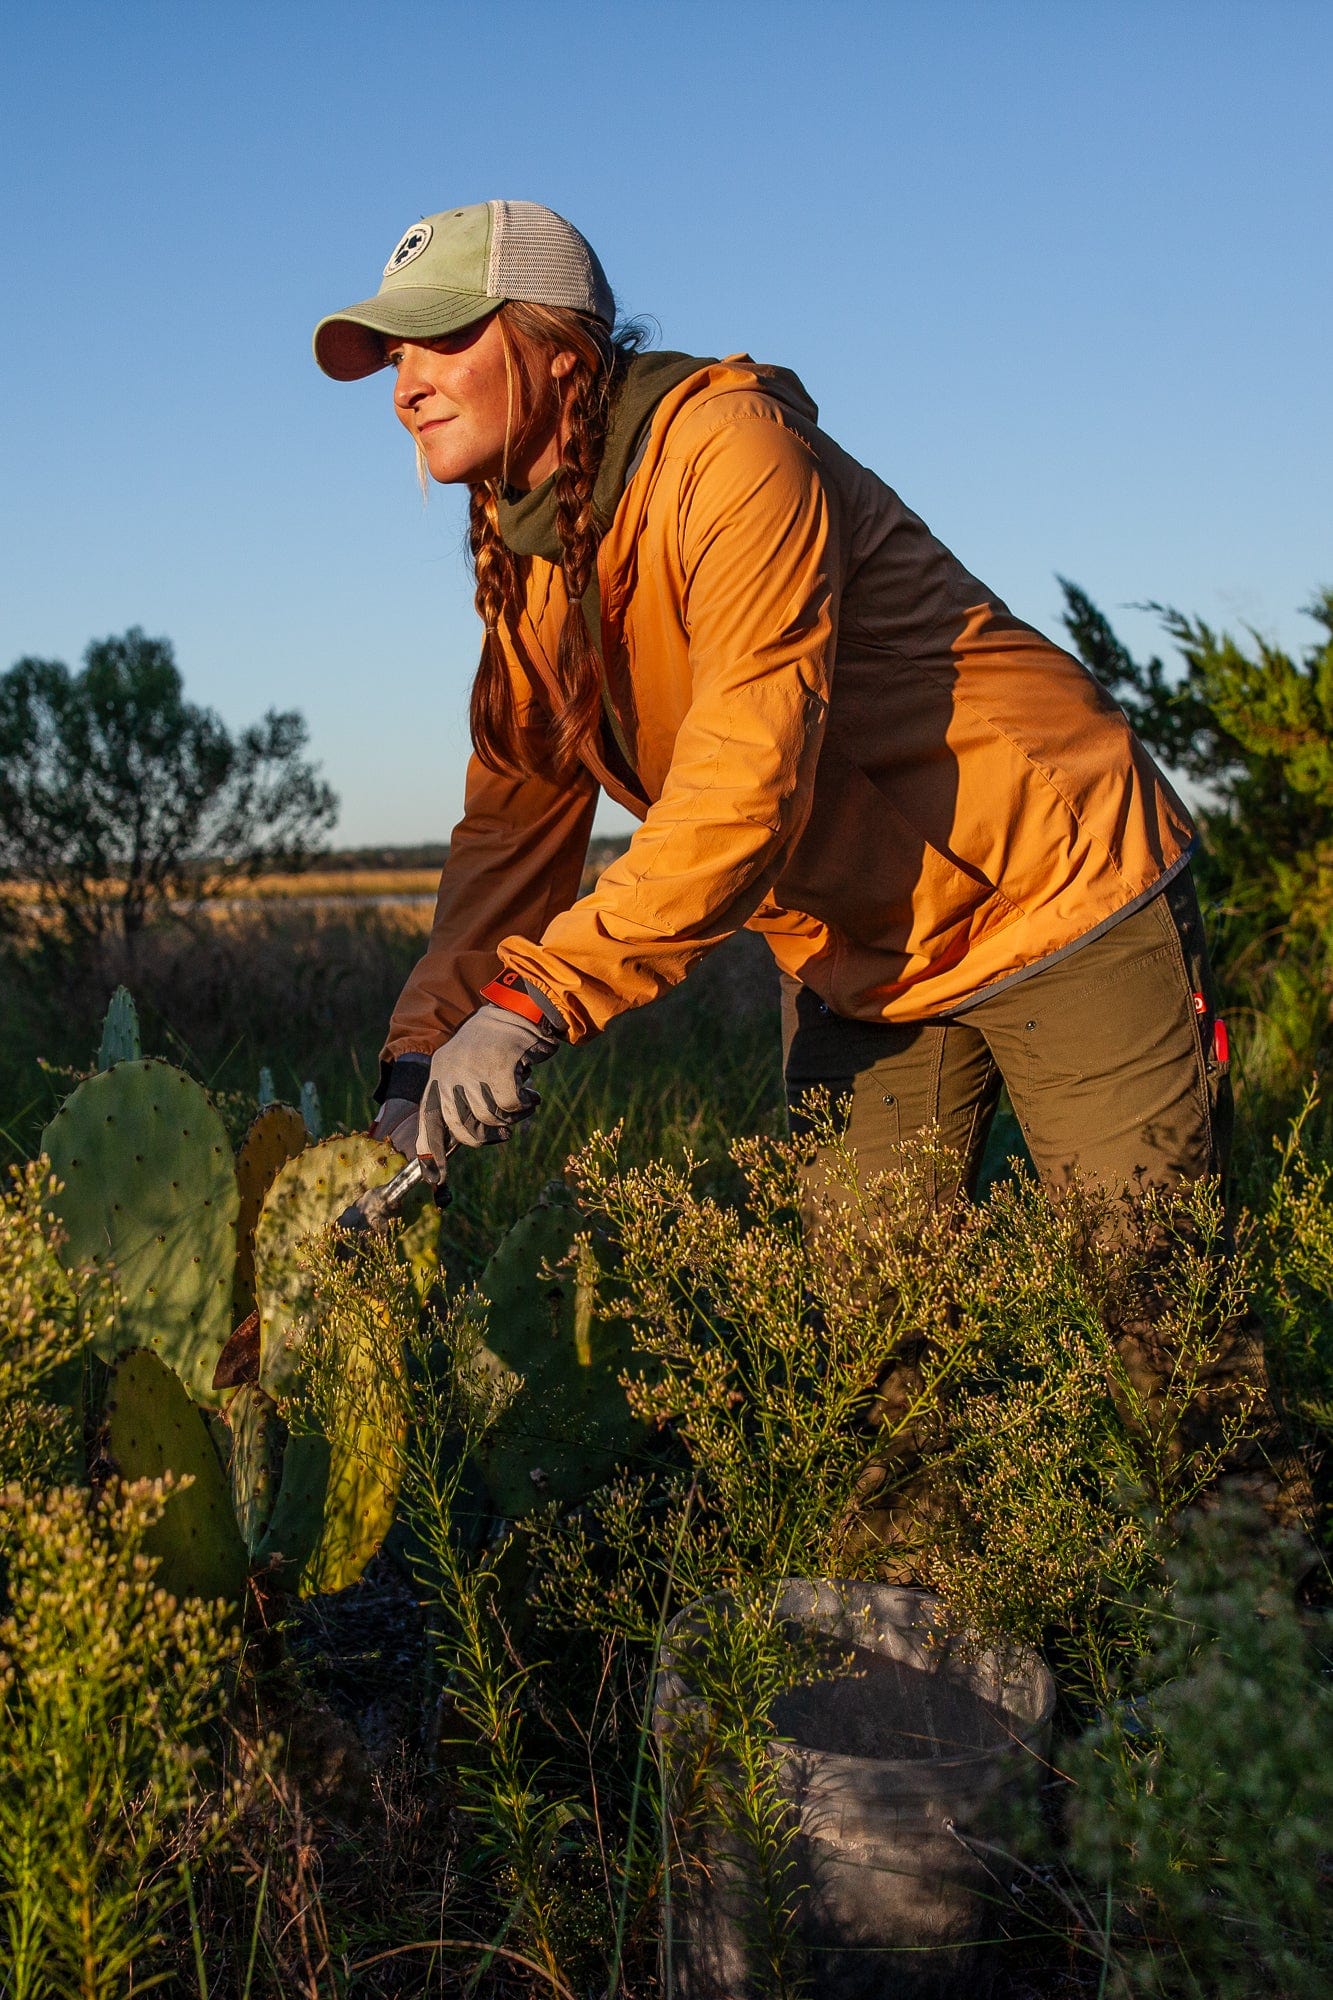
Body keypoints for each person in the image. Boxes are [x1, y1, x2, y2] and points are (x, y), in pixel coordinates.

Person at [313, 198, 1231, 1212]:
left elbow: (743, 782)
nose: (408, 387)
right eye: (397, 356)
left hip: (1055, 887)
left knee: (1157, 1299)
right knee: (868, 1341)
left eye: (441, 339)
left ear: (557, 345)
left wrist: (534, 1001)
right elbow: (510, 835)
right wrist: (419, 1057)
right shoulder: (531, 570)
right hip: (857, 956)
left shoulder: (732, 450)